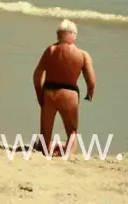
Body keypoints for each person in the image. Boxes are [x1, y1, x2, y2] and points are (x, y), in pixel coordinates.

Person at [32, 19, 96, 156]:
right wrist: (90, 93)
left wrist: (39, 94)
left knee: (45, 136)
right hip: (69, 94)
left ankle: (47, 149)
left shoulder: (50, 50)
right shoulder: (83, 55)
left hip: (49, 92)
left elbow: (37, 76)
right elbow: (91, 81)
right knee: (72, 131)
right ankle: (68, 154)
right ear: (73, 35)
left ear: (58, 35)